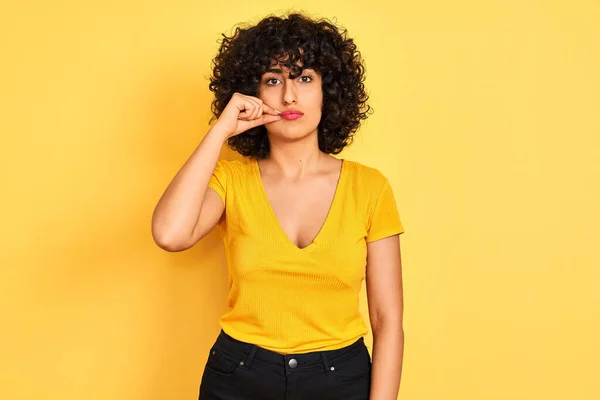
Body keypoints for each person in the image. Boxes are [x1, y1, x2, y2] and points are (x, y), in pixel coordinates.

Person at [151, 12, 405, 400]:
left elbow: (387, 321)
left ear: (328, 91)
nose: (289, 95)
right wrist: (220, 130)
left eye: (305, 78)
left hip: (341, 379)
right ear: (252, 94)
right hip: (239, 376)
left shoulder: (369, 187)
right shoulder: (231, 181)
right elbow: (170, 234)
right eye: (273, 80)